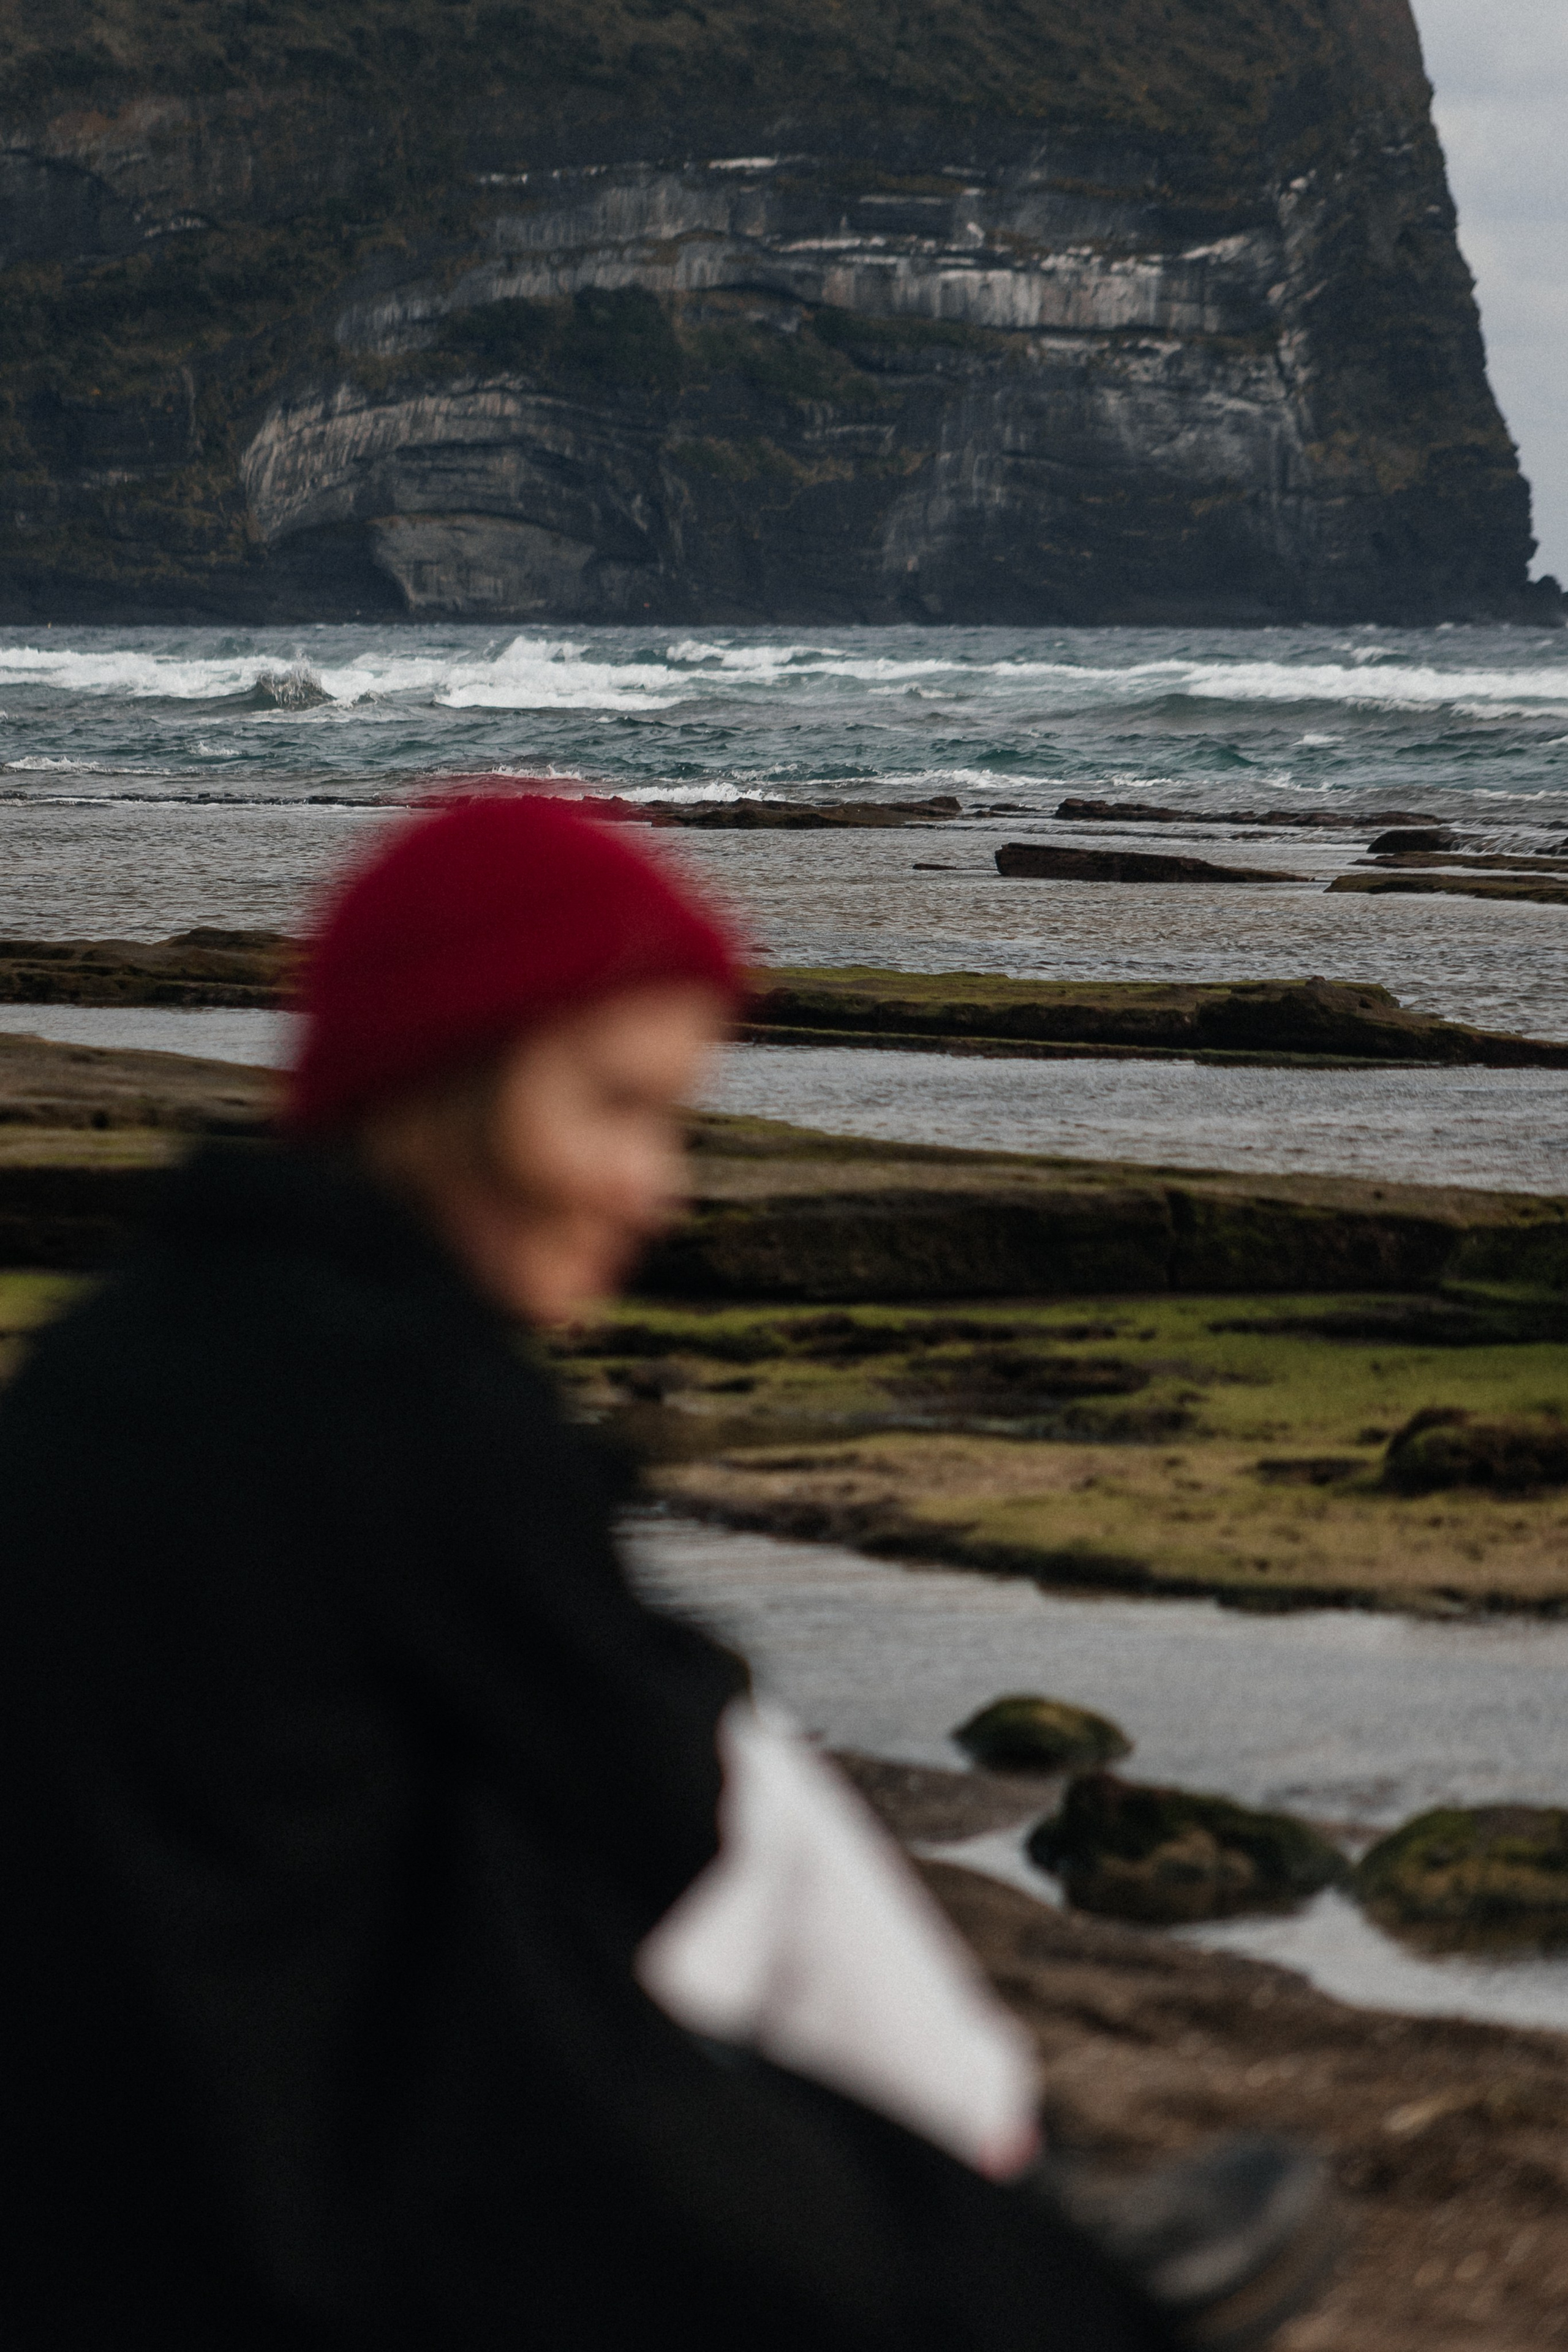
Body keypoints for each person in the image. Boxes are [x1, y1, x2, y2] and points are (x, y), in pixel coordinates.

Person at [0, 790, 1330, 2349]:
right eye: (618, 1110)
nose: (660, 1187)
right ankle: (1029, 2207)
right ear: (454, 1085)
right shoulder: (412, 1400)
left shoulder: (101, 1359)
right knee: (739, 1791)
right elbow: (657, 1815)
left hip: (79, 2200)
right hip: (308, 2222)